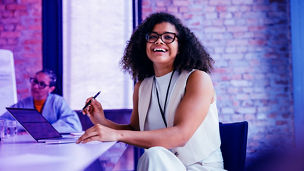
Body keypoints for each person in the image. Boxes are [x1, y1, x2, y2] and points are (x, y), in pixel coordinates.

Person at [77, 12, 225, 170]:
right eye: (152, 37)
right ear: (144, 45)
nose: (159, 41)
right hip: (160, 165)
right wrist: (102, 121)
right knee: (154, 155)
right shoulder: (142, 86)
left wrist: (116, 135)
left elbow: (181, 136)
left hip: (199, 168)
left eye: (168, 37)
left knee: (153, 155)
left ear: (180, 46)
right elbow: (135, 131)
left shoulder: (197, 78)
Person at [1, 69, 82, 133]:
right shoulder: (23, 103)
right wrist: (25, 128)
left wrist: (41, 129)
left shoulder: (58, 102)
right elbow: (2, 121)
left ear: (51, 89)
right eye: (34, 81)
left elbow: (74, 125)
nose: (35, 86)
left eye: (42, 84)